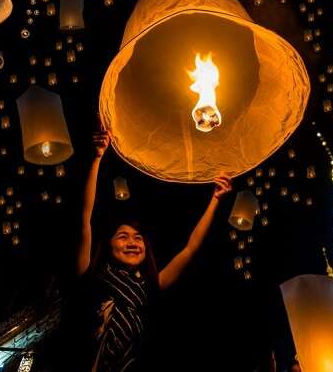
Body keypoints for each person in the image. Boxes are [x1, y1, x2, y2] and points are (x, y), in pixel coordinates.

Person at [74, 127, 232, 371]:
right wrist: (96, 158)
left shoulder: (149, 286)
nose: (132, 243)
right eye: (123, 237)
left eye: (138, 238)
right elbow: (84, 217)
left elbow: (191, 248)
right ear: (108, 245)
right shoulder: (90, 275)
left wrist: (217, 199)